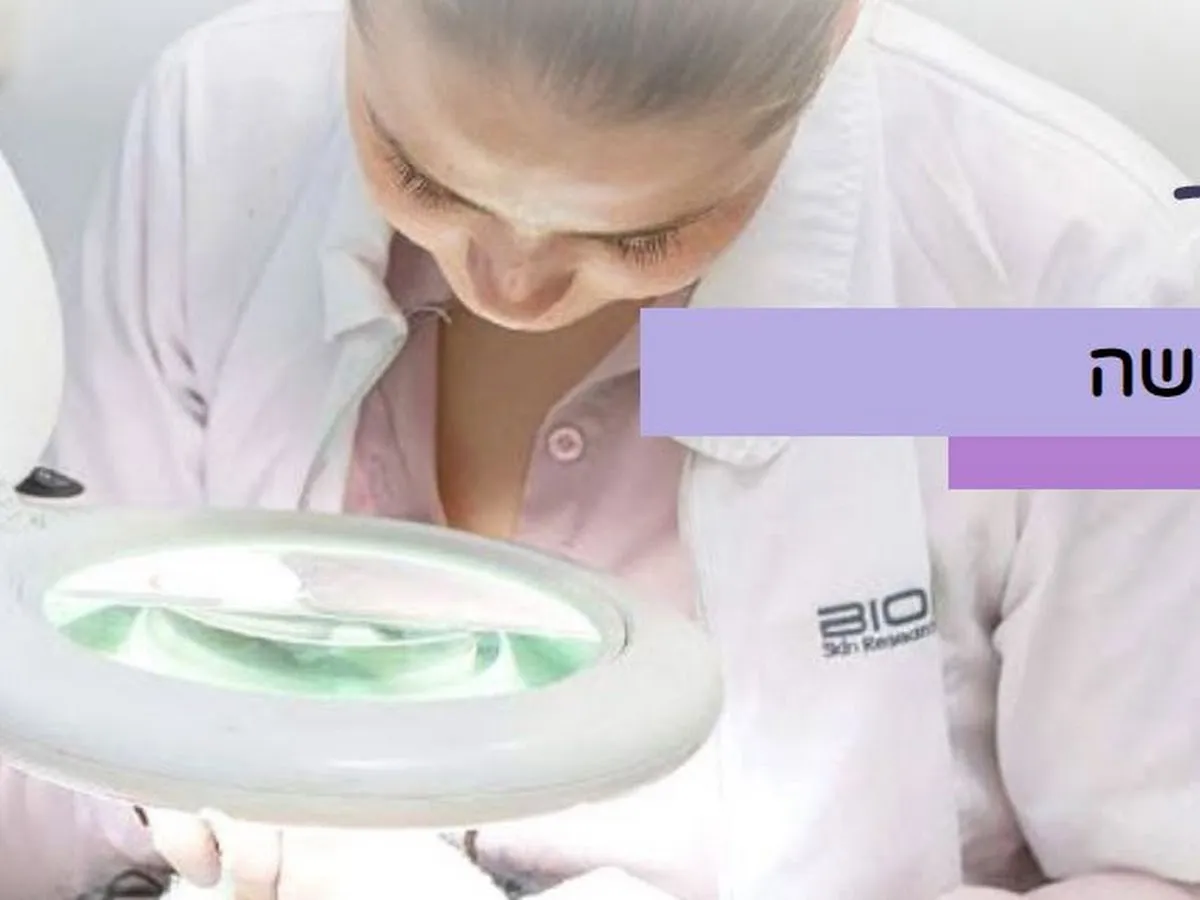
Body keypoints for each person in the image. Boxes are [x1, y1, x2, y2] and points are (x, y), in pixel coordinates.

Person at [17, 0, 1200, 896]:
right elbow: (61, 759)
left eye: (640, 235)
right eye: (421, 174)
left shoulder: (1071, 296)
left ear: (836, 34)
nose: (510, 288)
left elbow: (1161, 865)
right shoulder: (223, 130)